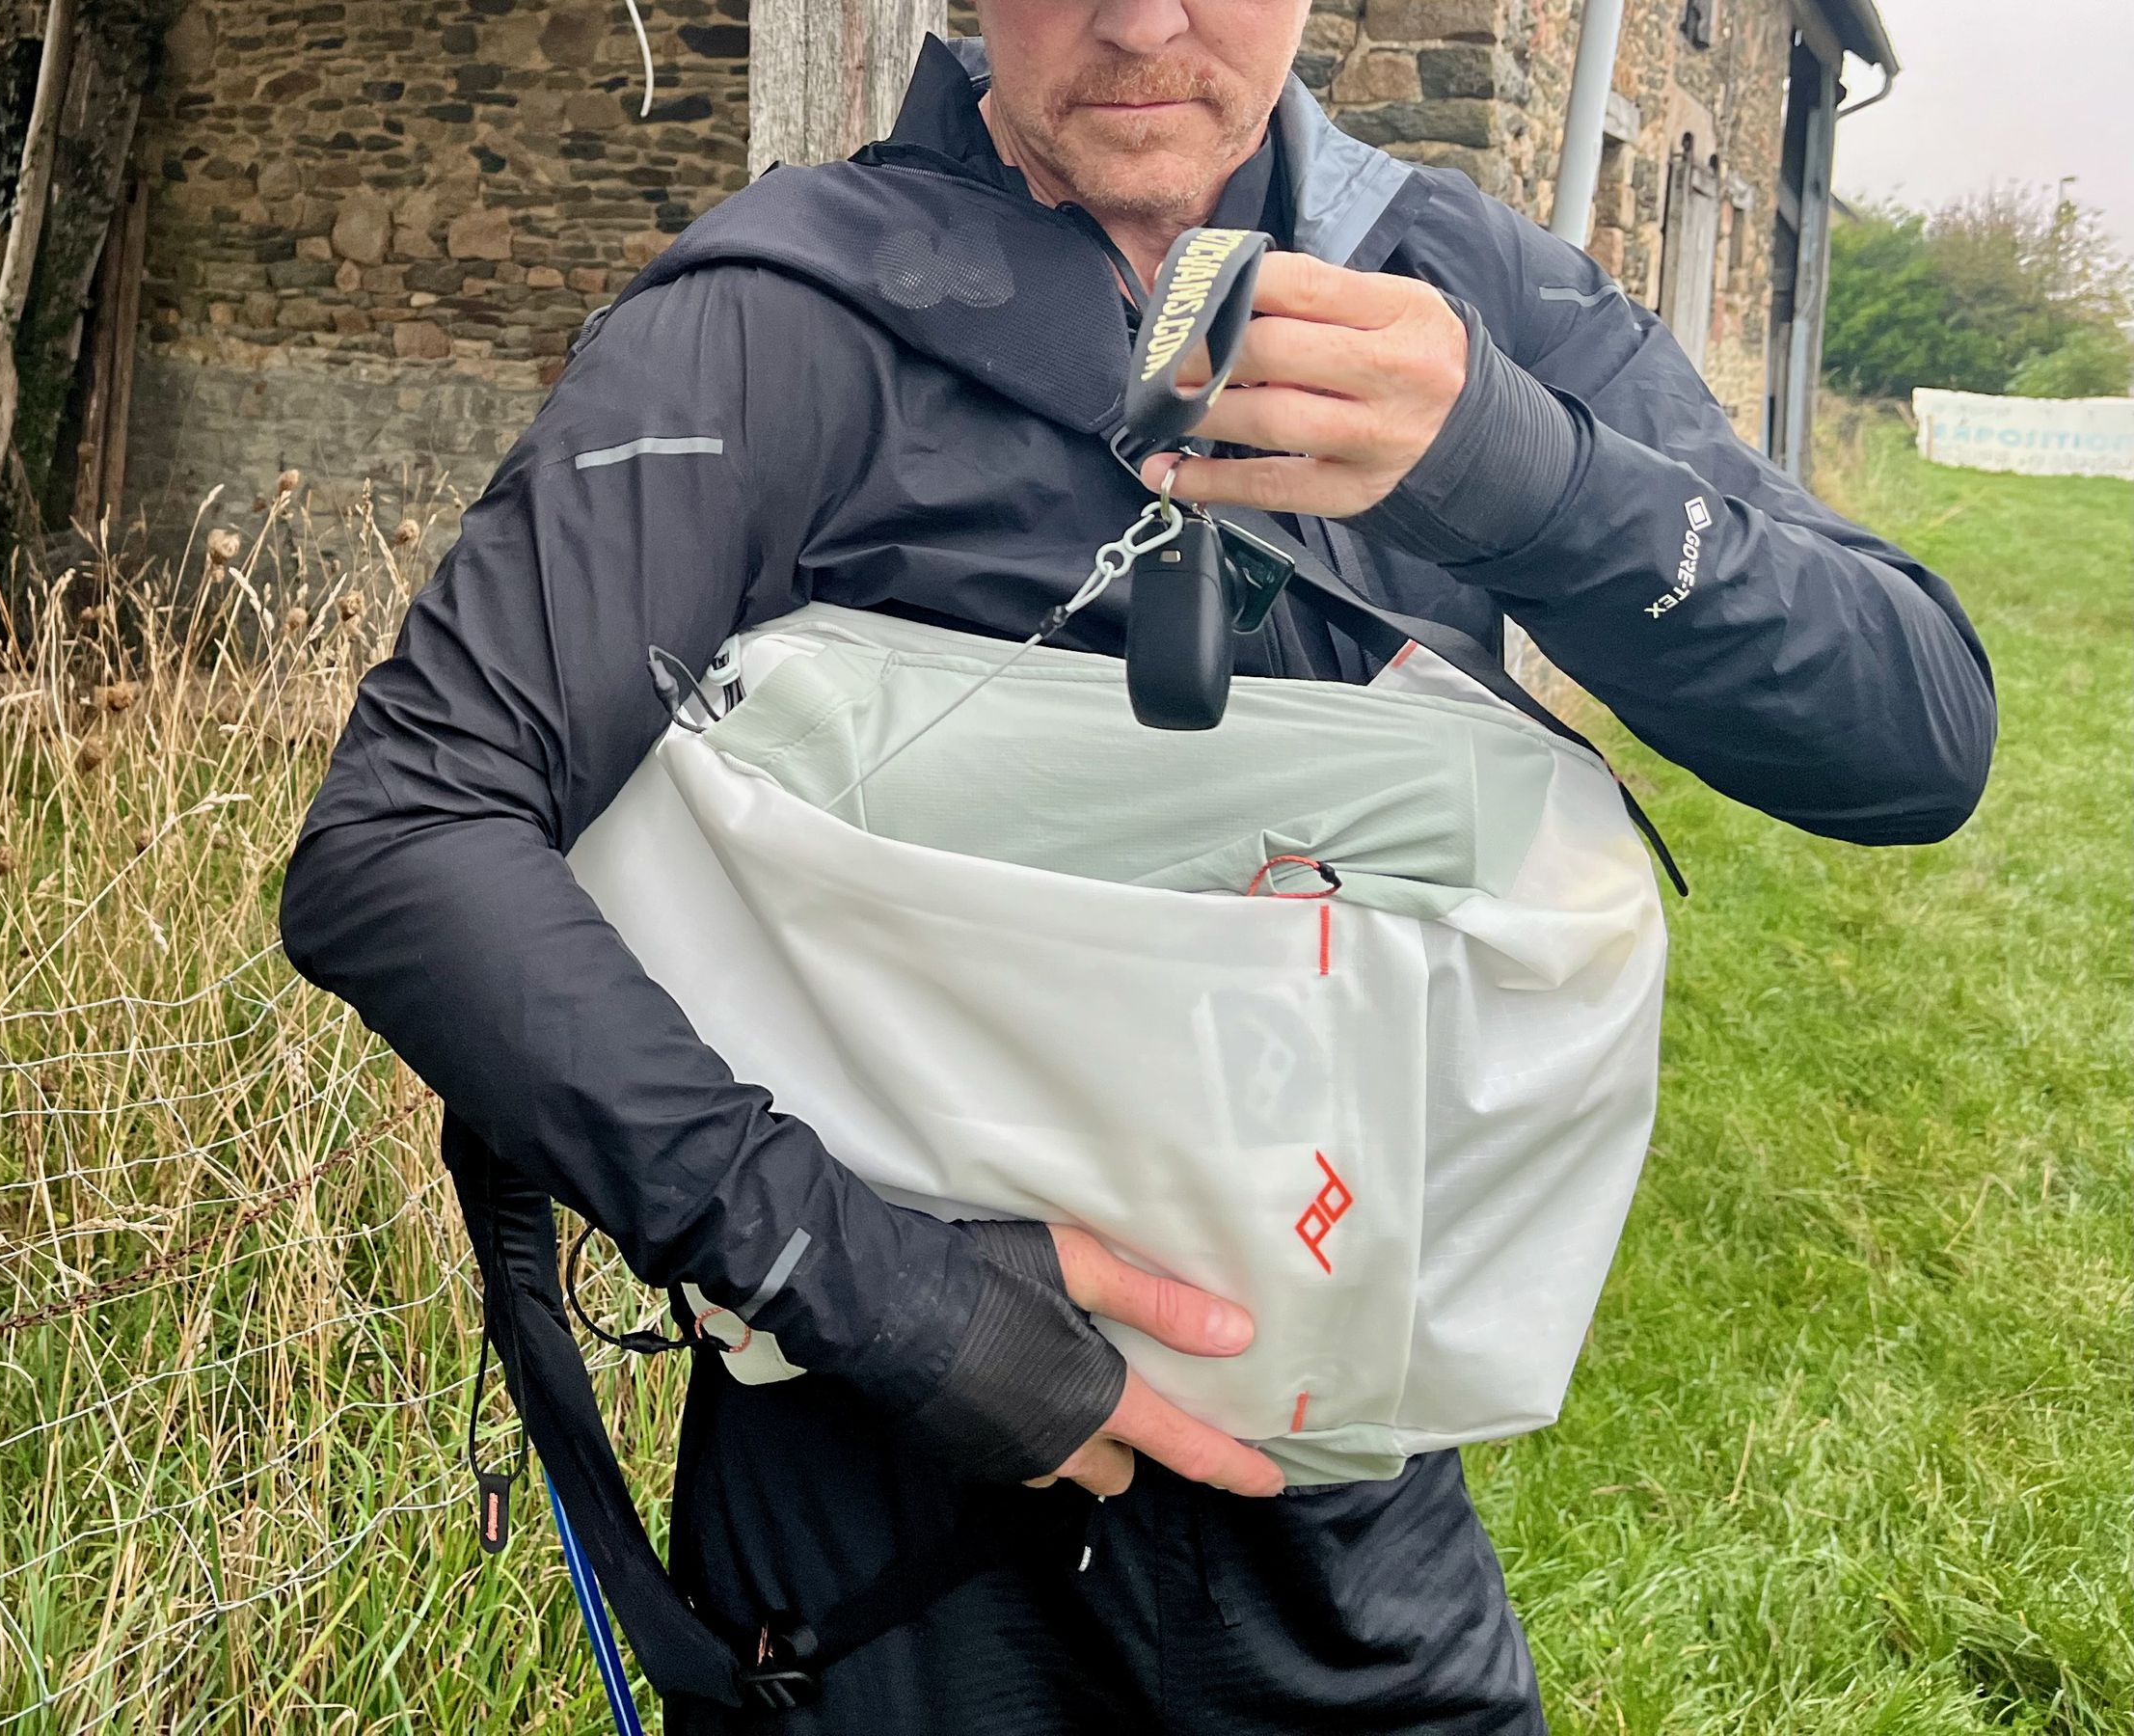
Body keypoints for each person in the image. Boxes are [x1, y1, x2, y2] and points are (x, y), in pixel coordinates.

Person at [281, 3, 1995, 1728]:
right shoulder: (787, 310)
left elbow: (1913, 741)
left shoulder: (1458, 295)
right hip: (881, 1531)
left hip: (1346, 1529)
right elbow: (406, 835)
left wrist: (1515, 473)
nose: (1143, 19)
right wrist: (886, 1297)